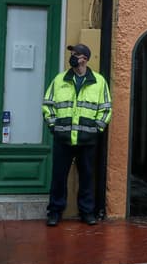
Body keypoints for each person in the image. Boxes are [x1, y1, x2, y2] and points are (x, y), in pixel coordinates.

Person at [42, 43, 112, 226]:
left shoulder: (99, 81)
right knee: (58, 178)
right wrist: (54, 126)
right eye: (72, 54)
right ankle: (54, 212)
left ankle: (87, 212)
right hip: (63, 138)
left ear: (85, 59)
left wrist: (97, 130)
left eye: (75, 54)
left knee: (87, 178)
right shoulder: (59, 80)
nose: (72, 57)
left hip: (87, 140)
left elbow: (105, 109)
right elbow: (48, 104)